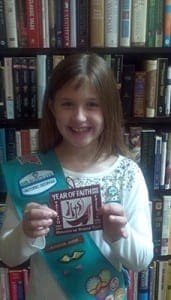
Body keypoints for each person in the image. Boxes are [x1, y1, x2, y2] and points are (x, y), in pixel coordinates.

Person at [0, 53, 153, 300]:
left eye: (92, 104)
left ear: (108, 109)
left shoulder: (127, 174)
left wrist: (119, 235)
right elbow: (7, 255)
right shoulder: (28, 173)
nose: (79, 117)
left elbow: (142, 261)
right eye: (68, 104)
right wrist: (25, 233)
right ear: (52, 107)